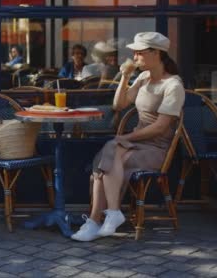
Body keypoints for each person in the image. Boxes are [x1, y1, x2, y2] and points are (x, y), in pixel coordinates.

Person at [71, 32, 185, 242]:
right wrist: (124, 77)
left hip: (156, 149)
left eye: (139, 52)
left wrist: (129, 137)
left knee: (107, 157)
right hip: (136, 143)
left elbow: (160, 128)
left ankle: (96, 220)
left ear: (156, 53)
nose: (134, 56)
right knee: (110, 152)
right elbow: (119, 105)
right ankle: (111, 214)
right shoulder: (143, 78)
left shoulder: (173, 86)